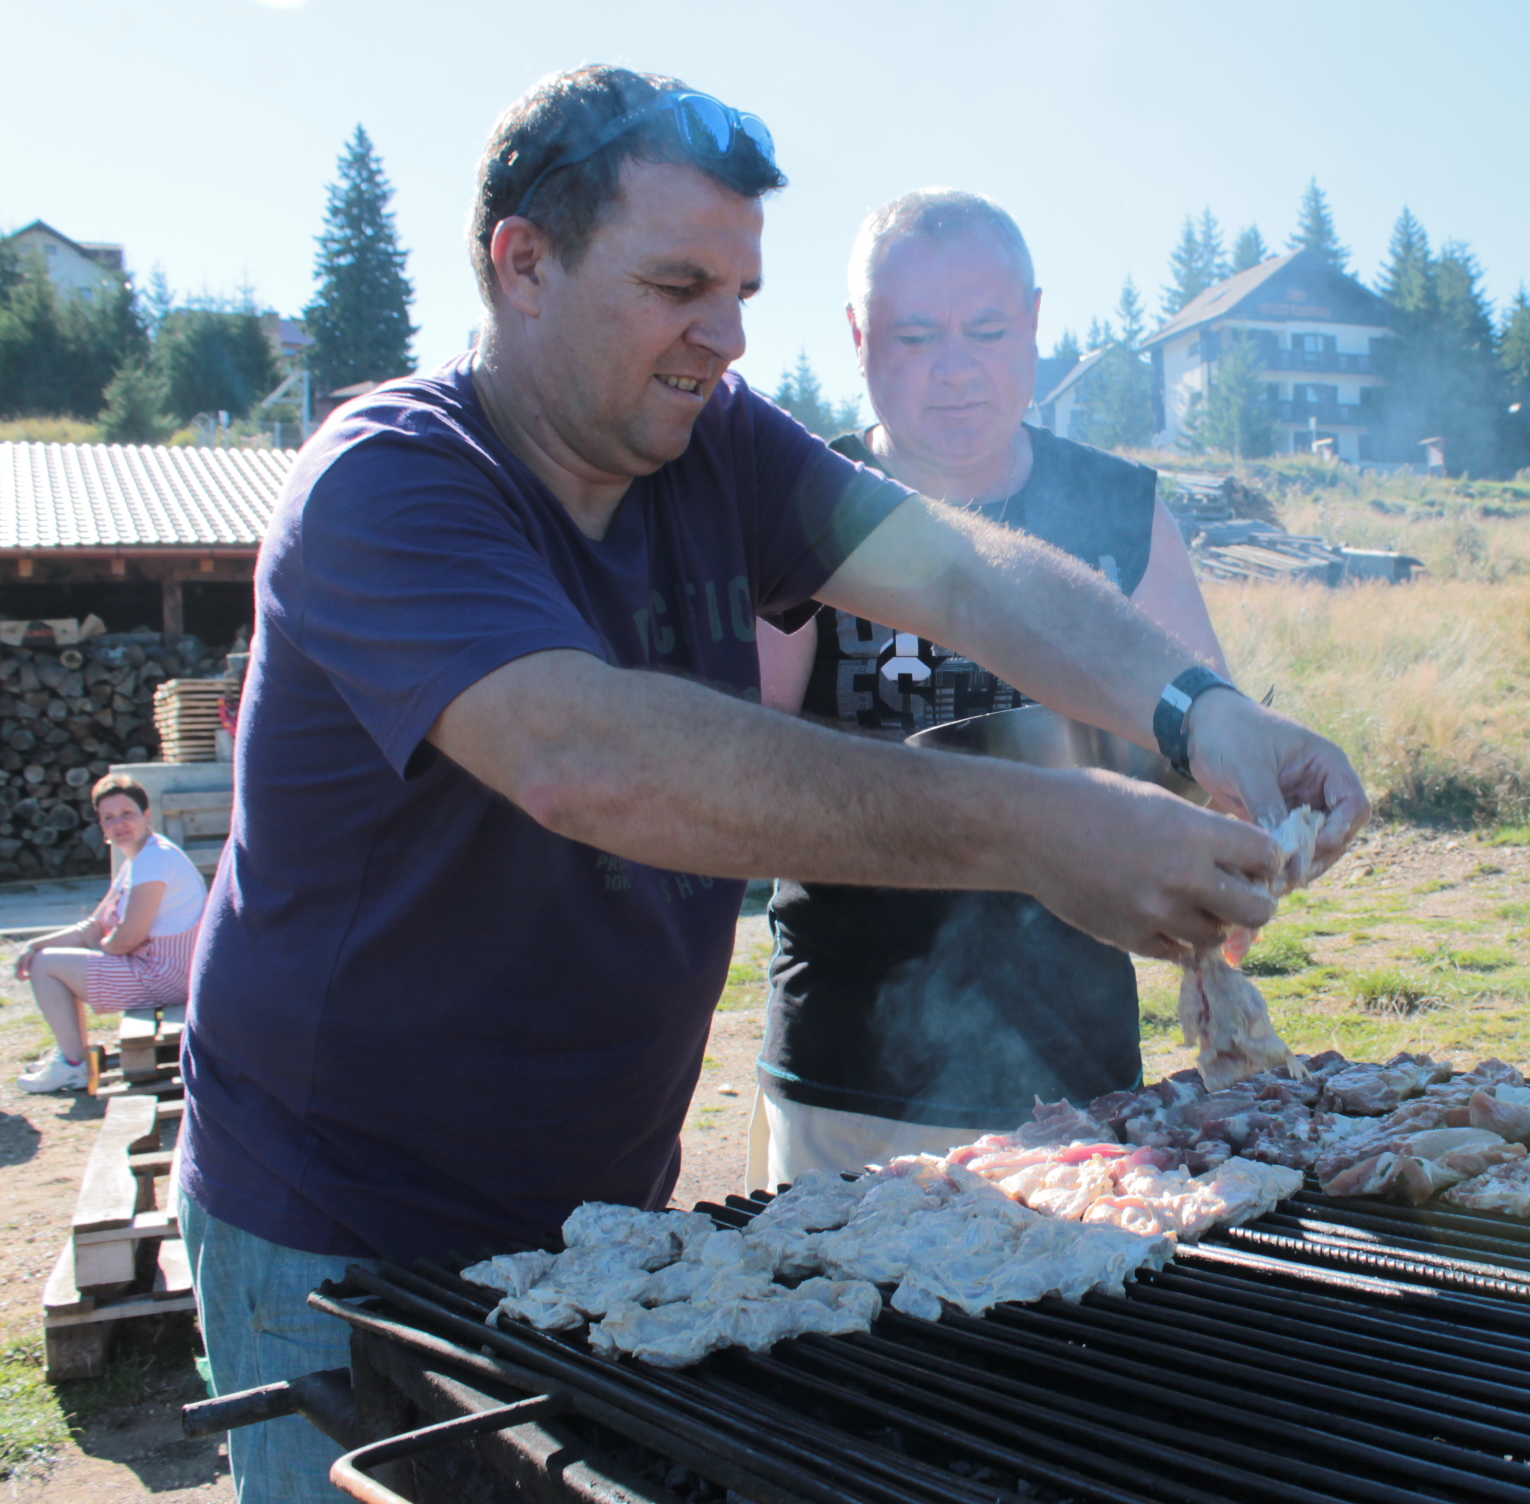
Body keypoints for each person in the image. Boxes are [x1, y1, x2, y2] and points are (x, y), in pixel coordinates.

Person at [175, 66, 1365, 1504]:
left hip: (607, 1198)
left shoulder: (714, 445)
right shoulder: (389, 482)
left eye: (743, 292)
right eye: (681, 284)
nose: (725, 340)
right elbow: (588, 760)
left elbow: (959, 567)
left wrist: (1200, 711)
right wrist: (1036, 830)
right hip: (339, 1220)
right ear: (524, 263)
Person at [752, 189, 1232, 1184]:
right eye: (916, 336)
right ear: (857, 336)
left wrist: (1236, 841)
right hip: (848, 1069)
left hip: (1079, 1061)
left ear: (1036, 324)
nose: (956, 367)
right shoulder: (796, 513)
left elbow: (1205, 744)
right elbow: (739, 775)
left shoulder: (1119, 510)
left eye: (986, 329)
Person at [13, 774, 208, 1094]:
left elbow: (127, 937)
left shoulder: (155, 859)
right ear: (102, 827)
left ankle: (73, 1064)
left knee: (46, 967)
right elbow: (94, 926)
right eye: (109, 817)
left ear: (147, 816)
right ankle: (71, 1056)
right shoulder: (136, 860)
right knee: (44, 959)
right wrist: (35, 945)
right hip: (152, 967)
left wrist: (103, 947)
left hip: (168, 974)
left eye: (127, 813)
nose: (119, 823)